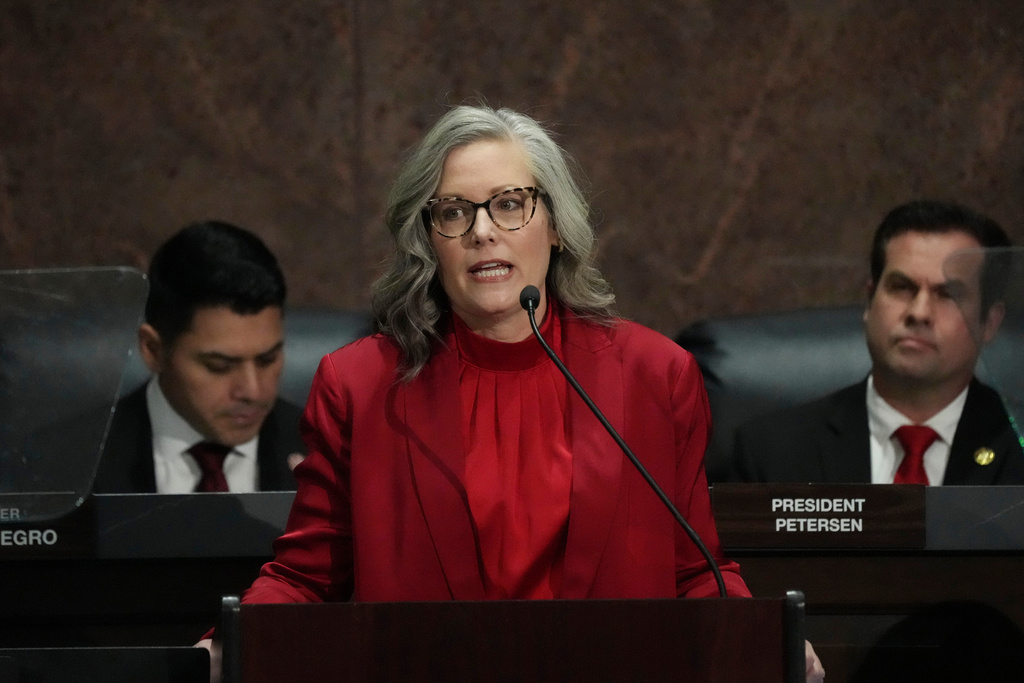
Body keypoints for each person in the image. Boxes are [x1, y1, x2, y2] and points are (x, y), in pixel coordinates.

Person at [198, 105, 824, 682]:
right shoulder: (361, 387)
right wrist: (228, 643)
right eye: (454, 212)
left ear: (554, 226)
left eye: (509, 204)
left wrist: (764, 640)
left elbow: (696, 574)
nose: (482, 232)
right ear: (429, 241)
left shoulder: (655, 375)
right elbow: (307, 576)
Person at [732, 200, 1024, 485]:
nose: (918, 313)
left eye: (948, 295)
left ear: (989, 322)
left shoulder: (1016, 445)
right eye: (901, 288)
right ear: (870, 301)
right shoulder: (771, 452)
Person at [91, 221, 305, 493]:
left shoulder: (335, 454)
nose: (253, 391)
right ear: (153, 350)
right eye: (220, 366)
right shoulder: (70, 464)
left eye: (267, 360)